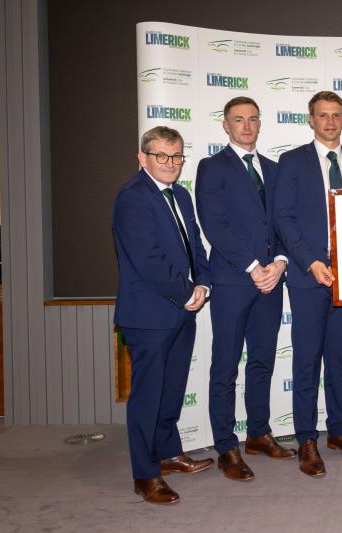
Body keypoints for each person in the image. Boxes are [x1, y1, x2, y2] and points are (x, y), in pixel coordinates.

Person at [273, 91, 342, 477]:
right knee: (307, 359)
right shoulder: (293, 161)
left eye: (336, 115)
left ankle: (338, 429)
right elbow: (283, 219)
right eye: (322, 115)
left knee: (339, 358)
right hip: (307, 275)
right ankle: (306, 438)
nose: (330, 122)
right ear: (310, 120)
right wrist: (310, 261)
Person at [196, 97, 296, 483]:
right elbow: (214, 225)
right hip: (234, 280)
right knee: (225, 366)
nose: (247, 126)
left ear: (260, 123)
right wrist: (254, 267)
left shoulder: (274, 169)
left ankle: (258, 434)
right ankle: (226, 445)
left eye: (253, 119)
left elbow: (287, 223)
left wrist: (282, 263)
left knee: (262, 361)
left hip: (272, 281)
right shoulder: (211, 167)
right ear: (226, 125)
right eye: (239, 120)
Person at [112, 126, 213, 504]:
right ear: (143, 158)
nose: (170, 163)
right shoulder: (132, 199)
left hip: (183, 310)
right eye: (161, 156)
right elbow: (148, 261)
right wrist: (188, 292)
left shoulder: (181, 195)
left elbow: (195, 247)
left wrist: (203, 283)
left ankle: (169, 453)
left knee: (171, 391)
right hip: (149, 316)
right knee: (147, 397)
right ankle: (145, 474)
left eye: (176, 156)